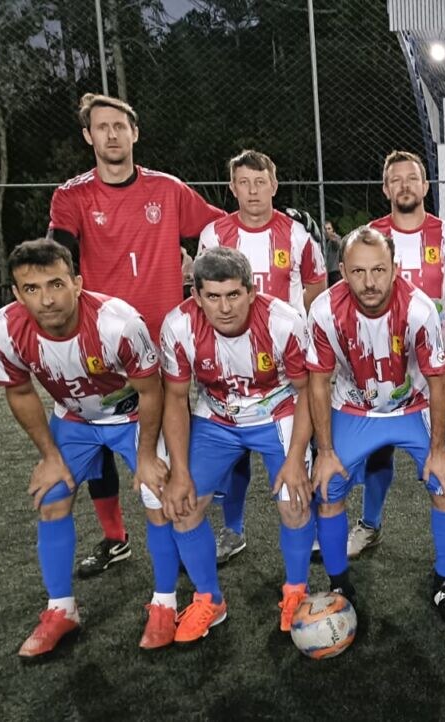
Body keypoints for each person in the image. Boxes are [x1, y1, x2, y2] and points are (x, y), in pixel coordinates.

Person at [48, 93, 223, 579]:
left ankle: (180, 538)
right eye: (102, 127)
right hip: (99, 341)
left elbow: (217, 228)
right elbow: (58, 257)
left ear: (135, 133)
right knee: (97, 433)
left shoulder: (167, 189)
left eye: (119, 126)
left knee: (167, 440)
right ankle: (114, 537)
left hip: (163, 337)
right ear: (88, 136)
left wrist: (199, 261)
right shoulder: (72, 196)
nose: (112, 134)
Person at [0, 240, 172, 656]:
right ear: (17, 293)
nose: (46, 299)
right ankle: (61, 609)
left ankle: (165, 603)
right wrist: (50, 457)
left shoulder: (118, 323)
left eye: (56, 284)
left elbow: (151, 390)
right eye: (31, 288)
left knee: (157, 495)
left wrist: (146, 456)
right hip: (74, 421)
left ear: (77, 283)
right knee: (51, 497)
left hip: (132, 418)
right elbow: (20, 391)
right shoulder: (3, 329)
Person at [306, 226, 445, 626]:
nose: (369, 282)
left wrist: (439, 450)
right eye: (358, 272)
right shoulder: (324, 310)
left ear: (395, 268)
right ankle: (340, 585)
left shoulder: (418, 309)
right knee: (327, 485)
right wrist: (325, 452)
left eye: (378, 270)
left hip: (413, 406)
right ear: (342, 271)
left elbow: (438, 380)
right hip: (354, 408)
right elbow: (318, 383)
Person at [158, 248, 315, 644]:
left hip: (278, 412)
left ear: (251, 291)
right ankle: (209, 600)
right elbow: (175, 399)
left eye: (233, 295)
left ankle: (296, 591)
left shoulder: (283, 321)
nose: (224, 307)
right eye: (212, 297)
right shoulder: (178, 325)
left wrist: (297, 457)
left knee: (294, 501)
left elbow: (307, 391)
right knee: (183, 505)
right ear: (196, 296)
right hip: (216, 418)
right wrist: (179, 472)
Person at [197, 150, 328, 565]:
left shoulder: (297, 235)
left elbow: (315, 288)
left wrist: (296, 331)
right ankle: (233, 530)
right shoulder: (214, 234)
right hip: (229, 360)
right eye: (244, 183)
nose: (252, 191)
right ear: (232, 188)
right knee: (233, 452)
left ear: (274, 185)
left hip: (284, 365)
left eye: (260, 182)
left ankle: (307, 528)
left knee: (300, 450)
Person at [349, 151, 445, 562]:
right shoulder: (369, 236)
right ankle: (369, 524)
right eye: (396, 179)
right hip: (380, 365)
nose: (404, 185)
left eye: (412, 178)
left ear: (425, 186)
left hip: (435, 367)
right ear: (385, 189)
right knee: (378, 448)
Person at [323, 220, 343, 287]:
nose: (327, 231)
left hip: (334, 272)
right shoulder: (323, 241)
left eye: (329, 228)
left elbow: (337, 245)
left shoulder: (335, 238)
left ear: (332, 229)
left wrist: (334, 240)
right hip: (326, 273)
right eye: (325, 229)